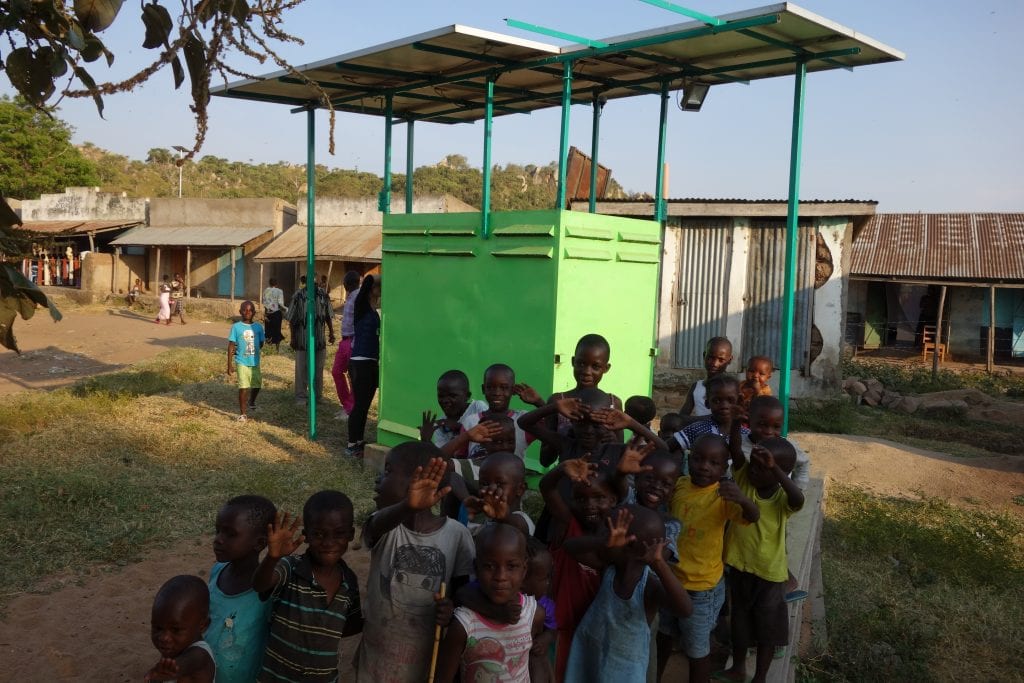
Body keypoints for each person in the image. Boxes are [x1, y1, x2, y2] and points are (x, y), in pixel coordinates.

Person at [357, 442, 475, 683]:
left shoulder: (457, 534)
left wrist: (452, 608)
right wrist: (407, 506)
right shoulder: (385, 526)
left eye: (388, 471)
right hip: (375, 662)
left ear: (419, 478)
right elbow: (373, 528)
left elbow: (465, 591)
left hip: (426, 664)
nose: (379, 480)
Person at [658, 434, 759, 683]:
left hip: (701, 589)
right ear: (689, 460)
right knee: (663, 635)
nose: (704, 466)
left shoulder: (723, 496)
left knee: (697, 650)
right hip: (669, 580)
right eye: (698, 459)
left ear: (724, 468)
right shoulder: (680, 485)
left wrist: (742, 498)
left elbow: (754, 516)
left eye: (714, 463)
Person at [563, 506, 693, 682]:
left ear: (629, 545)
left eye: (607, 530)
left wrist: (660, 565)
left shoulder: (648, 586)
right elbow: (569, 547)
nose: (602, 533)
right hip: (591, 653)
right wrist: (601, 542)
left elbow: (685, 609)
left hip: (624, 670)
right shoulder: (609, 568)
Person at [718, 437, 804, 683]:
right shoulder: (745, 478)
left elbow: (798, 498)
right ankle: (738, 667)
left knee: (767, 630)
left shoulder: (782, 498)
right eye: (753, 464)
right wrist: (736, 422)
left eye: (762, 468)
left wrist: (775, 469)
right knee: (740, 620)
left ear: (781, 473)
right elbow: (735, 449)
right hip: (739, 566)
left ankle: (761, 677)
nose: (754, 470)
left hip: (768, 575)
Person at [253, 491, 363, 682]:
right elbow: (260, 585)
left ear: (351, 534)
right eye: (319, 534)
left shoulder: (349, 582)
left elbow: (349, 627)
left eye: (339, 534)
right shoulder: (291, 567)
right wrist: (273, 557)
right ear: (306, 536)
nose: (328, 543)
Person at [435, 524, 547, 683]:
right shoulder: (464, 625)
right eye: (489, 566)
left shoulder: (535, 614)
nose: (500, 576)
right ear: (476, 568)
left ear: (524, 569)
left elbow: (533, 658)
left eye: (511, 566)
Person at [539, 458, 617, 680]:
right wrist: (562, 469)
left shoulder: (617, 538)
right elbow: (547, 488)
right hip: (559, 629)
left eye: (599, 498)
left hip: (596, 633)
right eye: (581, 499)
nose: (589, 505)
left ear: (613, 500)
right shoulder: (567, 524)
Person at [205, 495, 277, 683]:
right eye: (217, 531)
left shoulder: (266, 591)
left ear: (259, 543)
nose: (218, 540)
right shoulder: (217, 571)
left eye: (230, 534)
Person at [541, 333, 623, 466]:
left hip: (601, 481)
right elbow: (545, 460)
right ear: (573, 361)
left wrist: (614, 442)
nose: (586, 371)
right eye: (581, 363)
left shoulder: (613, 403)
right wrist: (564, 439)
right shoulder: (558, 401)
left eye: (595, 366)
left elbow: (619, 455)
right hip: (567, 480)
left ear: (606, 368)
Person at [459, 363, 545, 458]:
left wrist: (538, 402)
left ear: (513, 390)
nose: (497, 393)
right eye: (490, 387)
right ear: (483, 389)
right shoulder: (470, 421)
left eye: (504, 388)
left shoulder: (522, 419)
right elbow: (461, 457)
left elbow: (551, 425)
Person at [146, 575, 216, 682]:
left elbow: (186, 663)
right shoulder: (173, 649)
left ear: (203, 625)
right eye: (158, 628)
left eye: (175, 630)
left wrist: (164, 672)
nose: (164, 637)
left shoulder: (200, 655)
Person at [669, 375, 747, 464]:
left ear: (739, 401)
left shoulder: (746, 435)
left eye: (730, 400)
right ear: (707, 403)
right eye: (717, 401)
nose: (724, 406)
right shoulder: (697, 428)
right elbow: (668, 447)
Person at [286, 275, 335, 408]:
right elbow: (291, 318)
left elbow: (328, 316)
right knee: (302, 369)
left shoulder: (323, 295)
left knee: (318, 370)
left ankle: (317, 396)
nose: (314, 283)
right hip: (302, 340)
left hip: (319, 340)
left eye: (315, 280)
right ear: (305, 282)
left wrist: (331, 332)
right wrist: (292, 338)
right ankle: (301, 396)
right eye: (310, 280)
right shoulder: (298, 296)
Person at [346, 274, 380, 457]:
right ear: (371, 289)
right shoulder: (361, 306)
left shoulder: (374, 310)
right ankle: (351, 444)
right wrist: (375, 279)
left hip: (371, 361)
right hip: (360, 362)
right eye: (378, 288)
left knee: (365, 404)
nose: (380, 292)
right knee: (359, 405)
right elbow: (371, 280)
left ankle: (359, 440)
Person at [464, 451, 535, 536]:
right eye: (484, 484)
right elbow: (454, 477)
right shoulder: (487, 520)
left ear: (520, 489)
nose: (491, 488)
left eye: (499, 484)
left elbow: (519, 527)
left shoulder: (521, 519)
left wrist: (504, 517)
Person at [420, 369, 488, 456]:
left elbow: (488, 433)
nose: (445, 400)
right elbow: (442, 457)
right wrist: (427, 440)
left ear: (467, 396)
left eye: (452, 396)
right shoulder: (440, 425)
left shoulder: (477, 407)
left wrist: (459, 427)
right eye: (441, 396)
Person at [678, 337, 733, 423]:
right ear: (704, 355)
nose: (714, 364)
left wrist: (694, 421)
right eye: (710, 357)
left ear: (729, 360)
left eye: (721, 360)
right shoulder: (696, 387)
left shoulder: (731, 389)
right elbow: (682, 416)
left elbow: (723, 417)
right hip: (700, 434)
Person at [227, 300, 265, 422]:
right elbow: (231, 346)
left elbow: (261, 343)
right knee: (243, 387)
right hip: (241, 361)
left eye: (250, 310)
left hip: (254, 361)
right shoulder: (236, 327)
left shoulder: (259, 327)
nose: (247, 312)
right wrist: (229, 365)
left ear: (254, 312)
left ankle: (252, 401)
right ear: (240, 312)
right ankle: (243, 414)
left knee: (257, 384)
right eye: (245, 310)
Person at [331, 271, 361, 420]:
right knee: (337, 372)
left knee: (353, 376)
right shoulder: (350, 296)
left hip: (353, 341)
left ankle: (351, 409)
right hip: (345, 340)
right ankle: (347, 406)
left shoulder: (359, 296)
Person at [261, 277, 285, 351]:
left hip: (268, 313)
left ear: (269, 283)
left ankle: (269, 347)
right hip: (277, 313)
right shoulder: (279, 291)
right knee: (277, 330)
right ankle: (277, 348)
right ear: (276, 284)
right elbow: (281, 304)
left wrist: (265, 315)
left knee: (268, 330)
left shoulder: (265, 291)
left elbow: (265, 304)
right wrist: (283, 312)